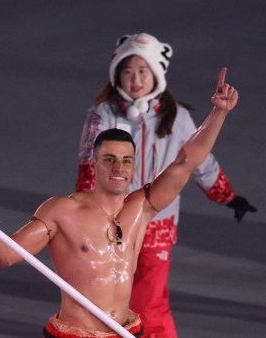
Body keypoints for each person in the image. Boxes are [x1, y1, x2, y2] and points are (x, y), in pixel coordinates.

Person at [0, 68, 238, 338]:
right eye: (109, 159)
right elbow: (5, 256)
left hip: (127, 331)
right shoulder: (62, 211)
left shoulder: (141, 207)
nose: (119, 167)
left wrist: (219, 113)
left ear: (133, 166)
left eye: (126, 160)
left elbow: (186, 161)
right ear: (94, 164)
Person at [75, 33, 256, 337]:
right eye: (128, 71)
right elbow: (88, 165)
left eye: (143, 71)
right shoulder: (102, 114)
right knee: (106, 299)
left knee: (150, 302)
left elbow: (198, 161)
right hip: (112, 224)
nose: (135, 79)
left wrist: (228, 196)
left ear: (157, 74)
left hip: (157, 223)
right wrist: (86, 214)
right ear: (117, 74)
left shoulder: (178, 118)